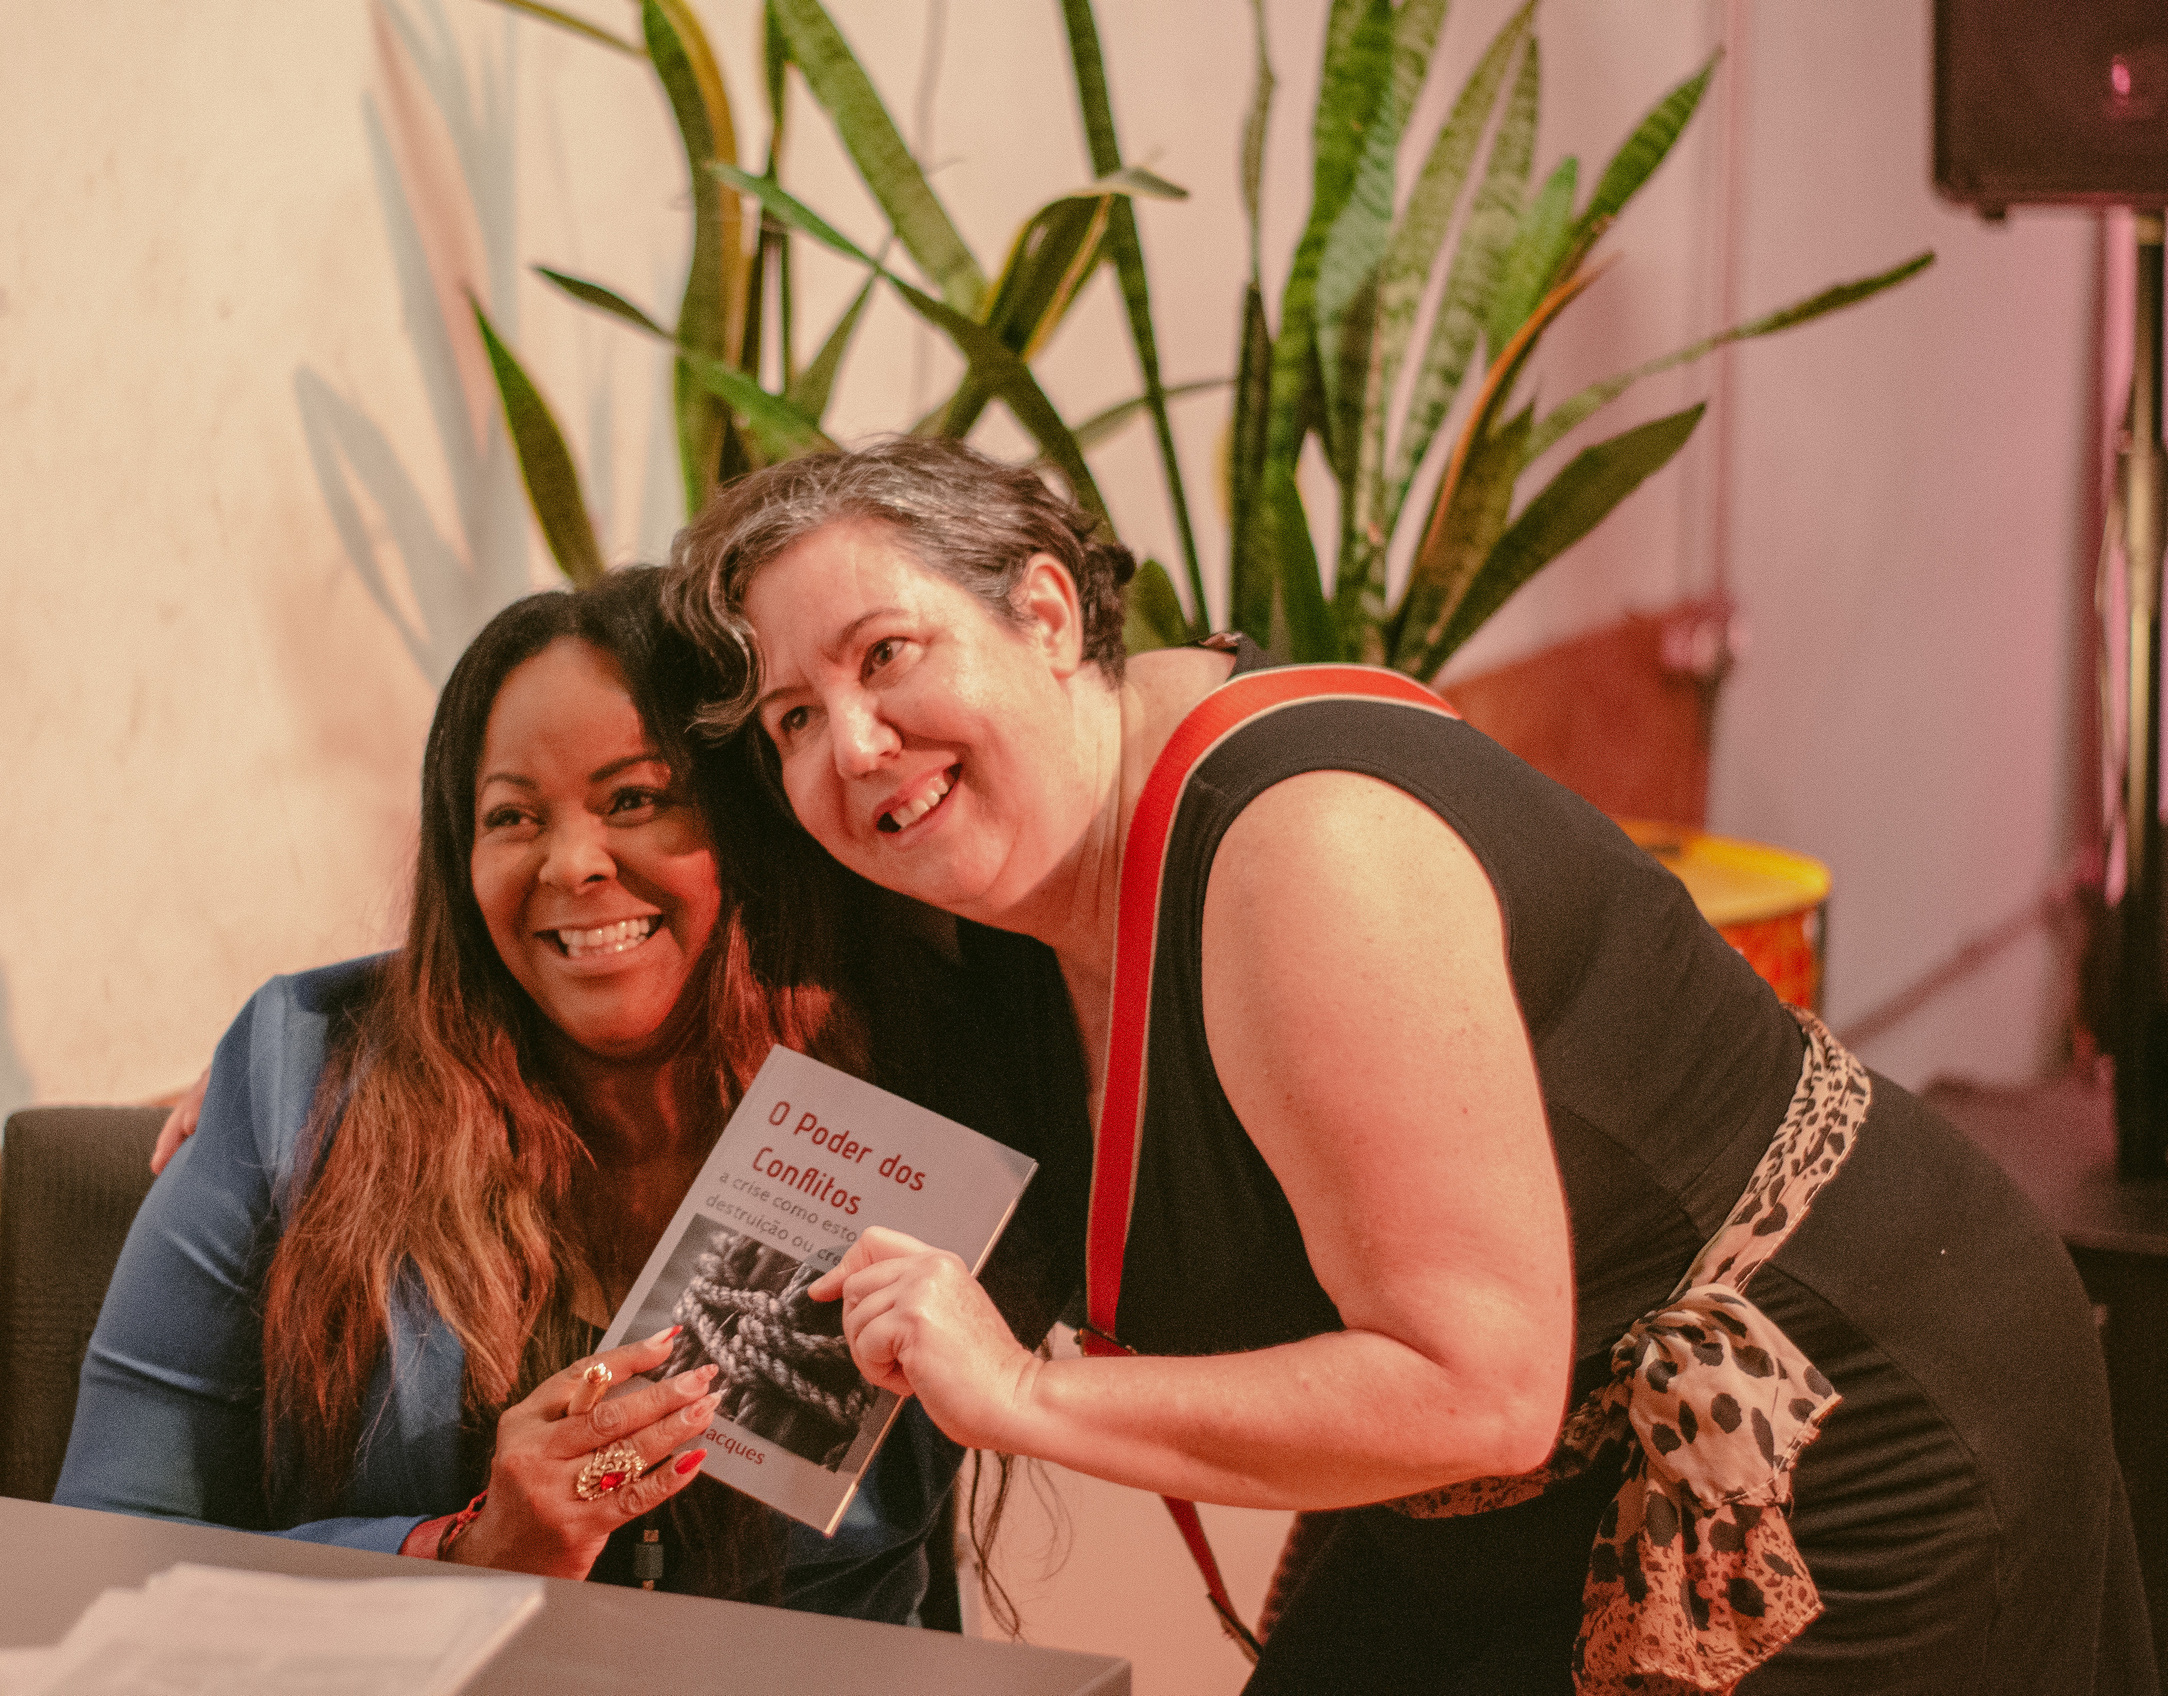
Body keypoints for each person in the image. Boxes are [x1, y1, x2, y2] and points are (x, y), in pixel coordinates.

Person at [662, 436, 2158, 1692]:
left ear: (1047, 612)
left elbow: (1476, 1386)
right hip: (1519, 1477)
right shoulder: (1006, 902)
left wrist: (1017, 1397)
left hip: (1835, 1422)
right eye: (796, 717)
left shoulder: (1305, 853)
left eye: (888, 655)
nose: (852, 746)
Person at [54, 568, 1080, 1618]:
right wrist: (466, 1551)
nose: (573, 861)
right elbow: (111, 1539)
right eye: (512, 816)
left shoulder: (923, 1073)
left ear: (747, 825)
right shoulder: (301, 1075)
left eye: (635, 798)